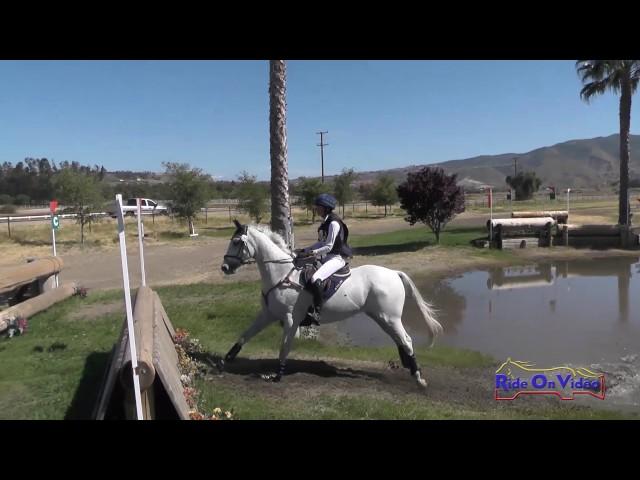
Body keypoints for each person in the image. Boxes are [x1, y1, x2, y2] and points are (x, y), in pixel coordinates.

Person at [296, 193, 353, 323]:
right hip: (326, 258)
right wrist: (305, 250)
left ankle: (317, 313)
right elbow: (321, 243)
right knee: (305, 273)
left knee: (315, 279)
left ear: (326, 207)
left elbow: (328, 246)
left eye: (318, 207)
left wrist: (312, 253)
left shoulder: (333, 223)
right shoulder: (325, 222)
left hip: (336, 258)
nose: (316, 209)